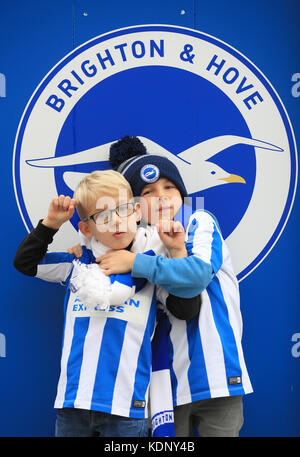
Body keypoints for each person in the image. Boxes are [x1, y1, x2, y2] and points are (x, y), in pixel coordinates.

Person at [97, 135, 253, 437]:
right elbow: (183, 306)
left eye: (169, 187)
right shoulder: (141, 245)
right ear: (134, 207)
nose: (163, 196)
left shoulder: (199, 222)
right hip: (166, 384)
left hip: (218, 375)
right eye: (149, 192)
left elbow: (196, 276)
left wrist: (135, 263)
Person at [13, 170, 186, 437]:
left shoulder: (151, 268)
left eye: (124, 210)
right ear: (85, 228)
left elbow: (186, 307)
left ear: (137, 212)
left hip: (127, 407)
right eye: (103, 216)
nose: (117, 221)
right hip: (74, 403)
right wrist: (51, 223)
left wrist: (175, 252)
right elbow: (25, 263)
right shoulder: (76, 264)